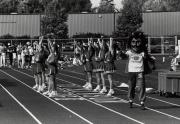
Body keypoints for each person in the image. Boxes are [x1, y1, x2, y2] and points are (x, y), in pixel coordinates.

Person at [120, 31, 155, 110]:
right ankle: (130, 99)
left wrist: (151, 63)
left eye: (138, 42)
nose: (135, 44)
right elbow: (123, 57)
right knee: (131, 86)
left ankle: (142, 102)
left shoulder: (143, 52)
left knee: (141, 86)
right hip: (131, 72)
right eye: (133, 42)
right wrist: (121, 53)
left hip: (140, 71)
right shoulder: (129, 52)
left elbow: (148, 59)